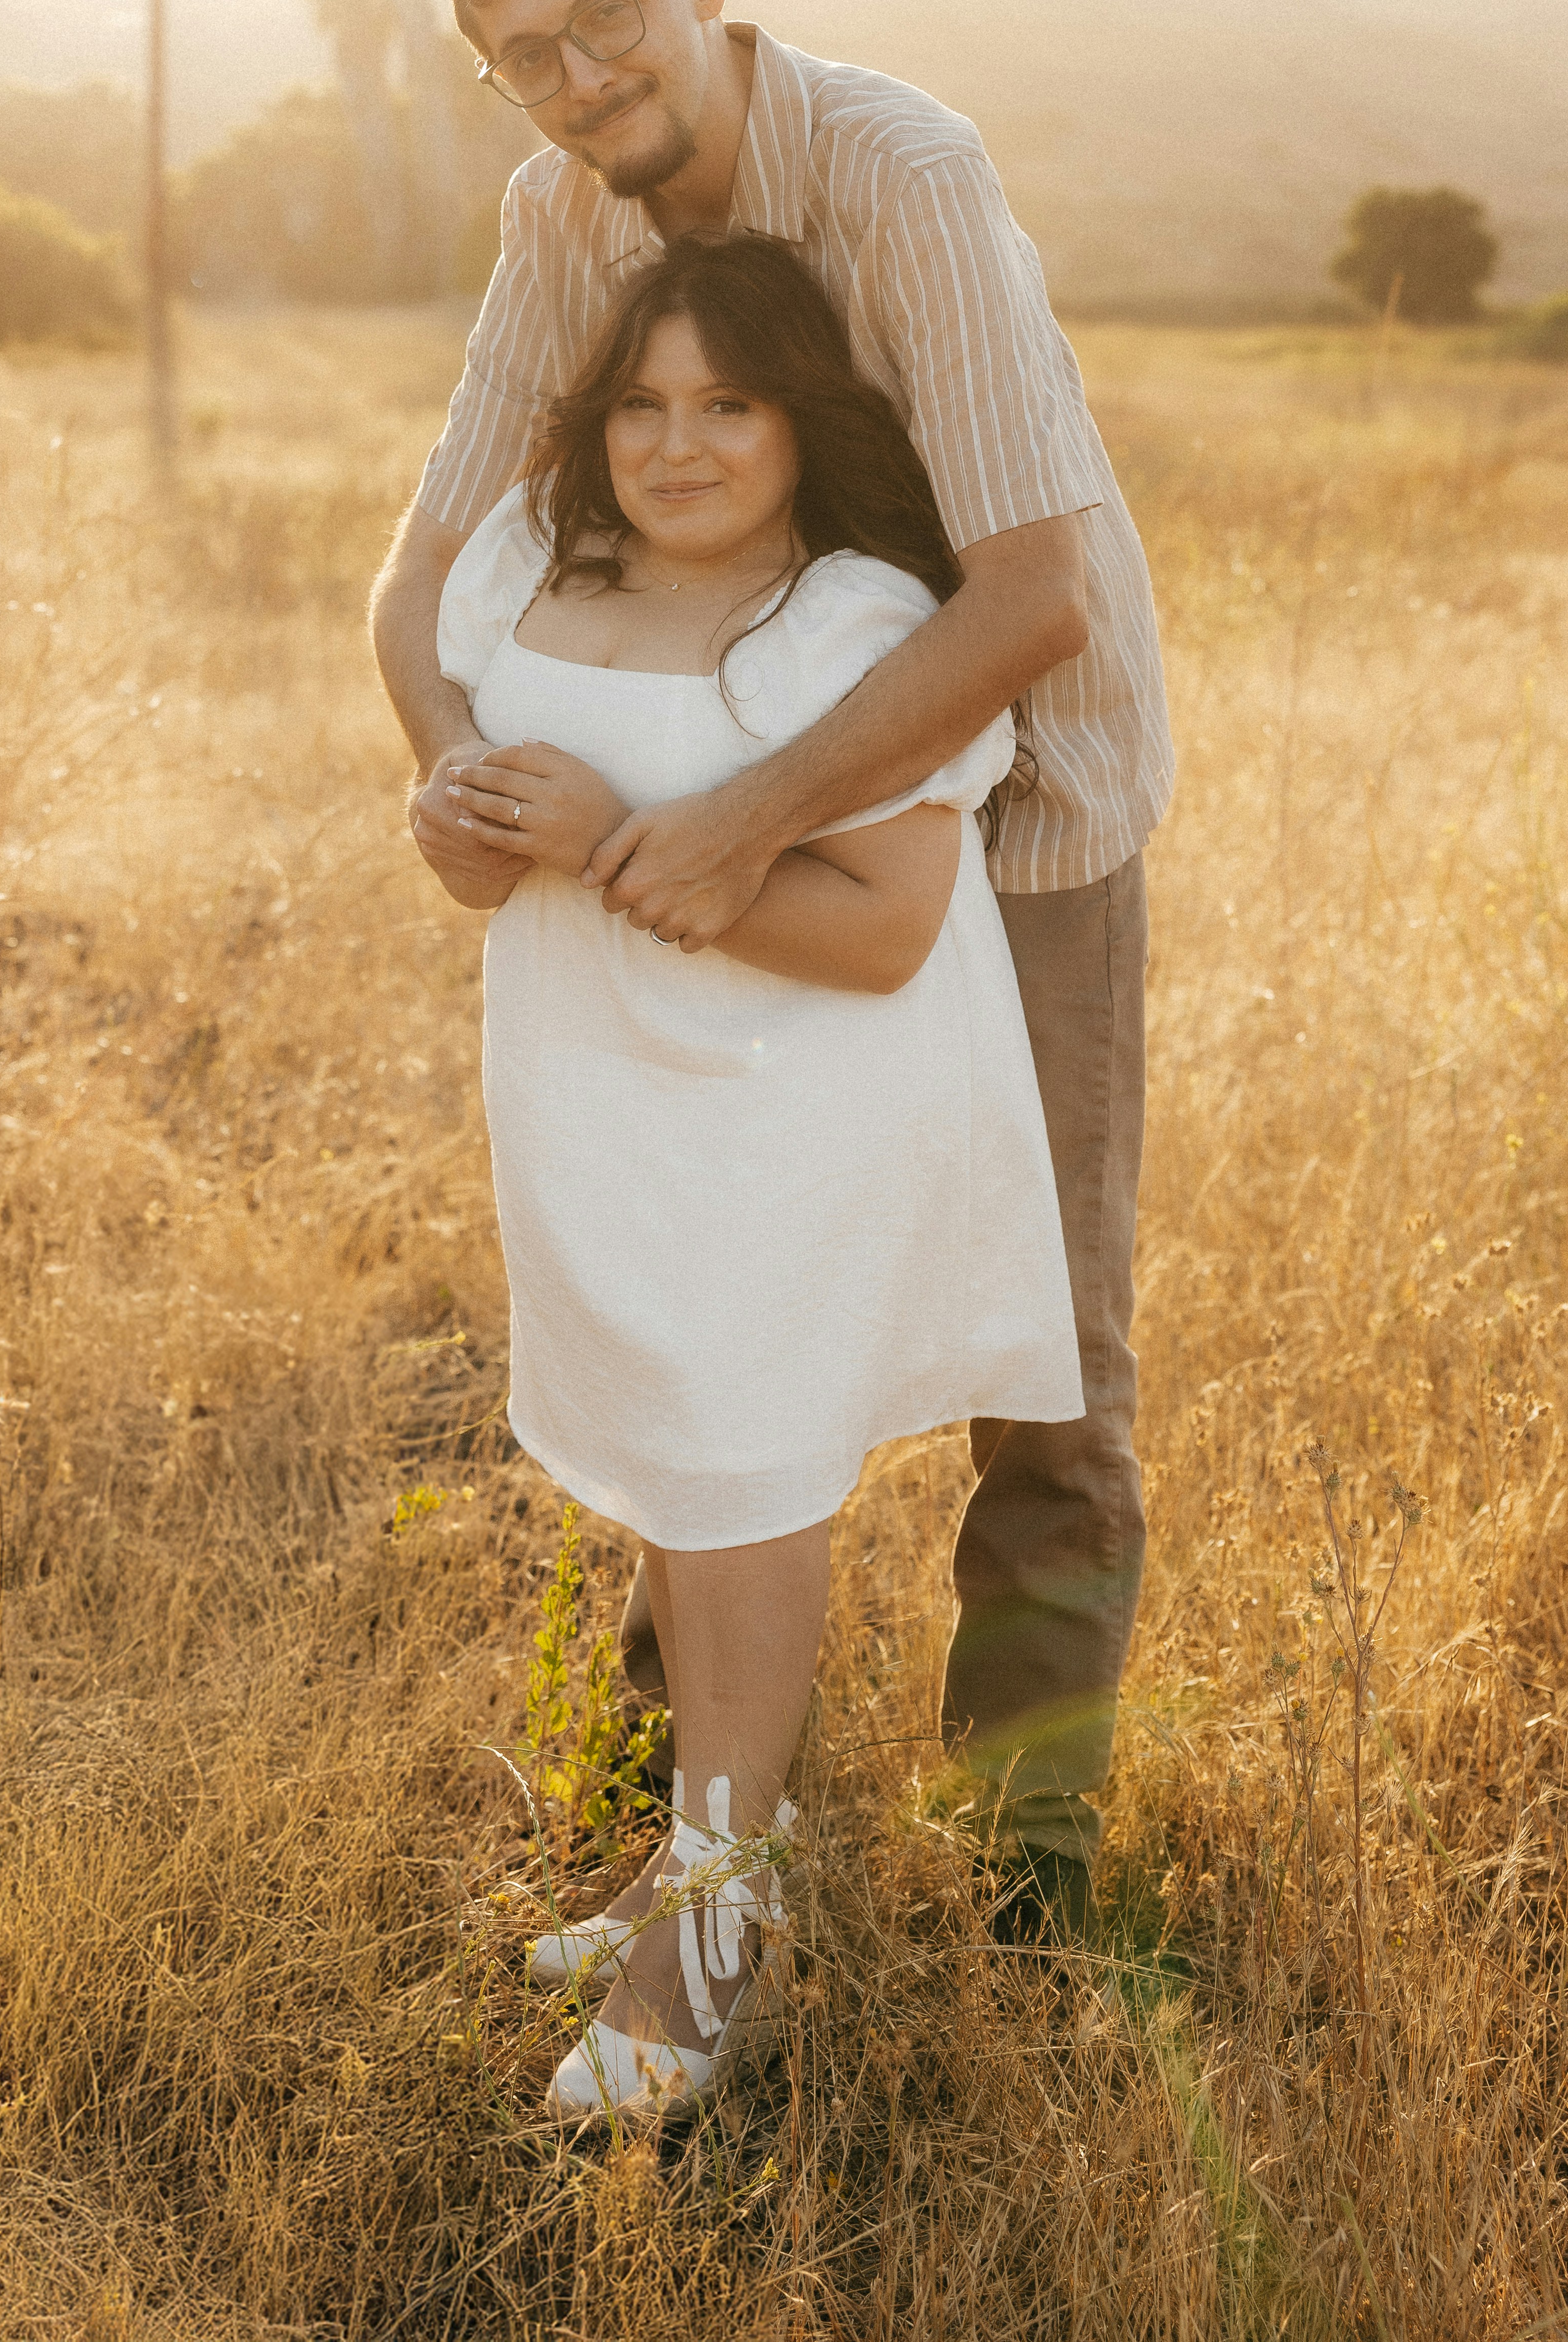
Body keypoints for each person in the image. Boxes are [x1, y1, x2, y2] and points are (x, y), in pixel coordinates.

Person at [370, 0, 1173, 1954]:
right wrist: (450, 772)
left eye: (605, 18)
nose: (574, 76)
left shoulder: (897, 170)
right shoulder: (561, 211)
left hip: (1024, 818)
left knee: (1045, 1366)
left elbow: (1032, 592)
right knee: (692, 1298)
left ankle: (1024, 1878)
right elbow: (417, 572)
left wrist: (741, 816)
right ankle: (699, 1851)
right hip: (726, 826)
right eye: (521, 57)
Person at [417, 232, 1083, 2121]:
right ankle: (705, 1861)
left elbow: (884, 932)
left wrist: (610, 831)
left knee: (739, 1481)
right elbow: (474, 841)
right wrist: (453, 810)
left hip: (791, 1120)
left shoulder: (855, 623)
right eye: (641, 401)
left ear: (804, 421)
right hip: (599, 1103)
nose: (679, 442)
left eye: (727, 402)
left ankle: (710, 1941)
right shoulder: (536, 575)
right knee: (672, 1477)